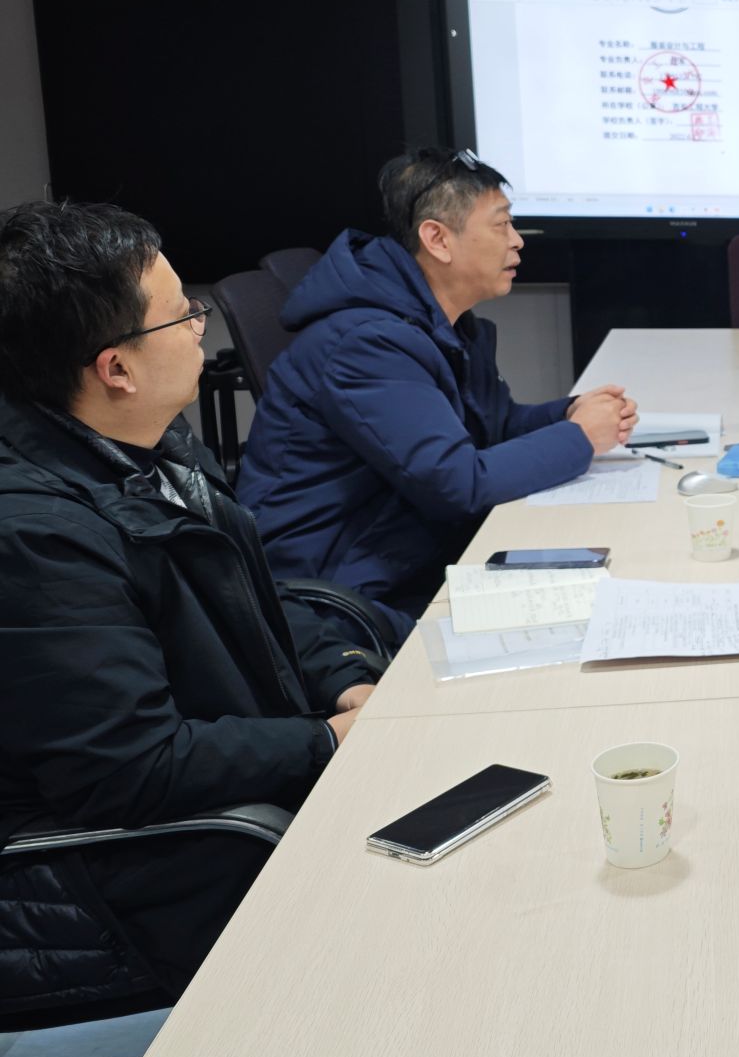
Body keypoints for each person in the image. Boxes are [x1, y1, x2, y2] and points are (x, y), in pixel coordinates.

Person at [0, 200, 383, 1000]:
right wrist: (325, 741)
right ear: (117, 368)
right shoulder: (36, 536)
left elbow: (252, 599)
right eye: (182, 316)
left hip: (239, 791)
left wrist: (345, 678)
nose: (201, 327)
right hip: (131, 877)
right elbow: (133, 770)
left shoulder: (148, 442)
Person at [238, 148, 638, 634]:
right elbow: (457, 484)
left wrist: (571, 413)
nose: (517, 241)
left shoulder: (435, 319)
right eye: (501, 225)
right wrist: (580, 437)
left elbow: (492, 427)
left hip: (404, 556)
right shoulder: (366, 343)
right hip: (342, 600)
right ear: (437, 239)